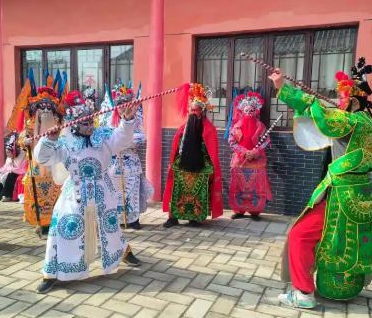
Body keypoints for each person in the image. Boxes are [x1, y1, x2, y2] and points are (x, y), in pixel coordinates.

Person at [270, 58, 372, 311]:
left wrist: (282, 86)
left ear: (355, 100)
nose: (339, 101)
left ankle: (303, 293)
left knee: (300, 235)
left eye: (342, 96)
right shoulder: (371, 126)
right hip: (362, 195)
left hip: (340, 195)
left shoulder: (349, 121)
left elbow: (314, 107)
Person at [33, 90, 141, 293]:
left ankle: (122, 252)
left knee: (110, 225)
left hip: (102, 188)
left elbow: (123, 139)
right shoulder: (64, 142)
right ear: (74, 124)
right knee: (66, 224)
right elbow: (42, 158)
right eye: (85, 123)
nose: (90, 126)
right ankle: (53, 272)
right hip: (75, 191)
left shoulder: (103, 136)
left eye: (91, 121)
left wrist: (127, 121)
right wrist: (49, 140)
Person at [6, 69, 65, 237]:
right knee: (37, 194)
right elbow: (21, 137)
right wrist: (24, 142)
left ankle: (54, 221)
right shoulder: (30, 124)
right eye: (41, 107)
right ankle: (40, 222)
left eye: (48, 107)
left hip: (55, 167)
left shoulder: (59, 124)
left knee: (56, 192)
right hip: (36, 166)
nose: (45, 110)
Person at [162, 83, 223, 228]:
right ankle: (173, 217)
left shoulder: (209, 129)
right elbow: (177, 146)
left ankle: (194, 217)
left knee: (198, 192)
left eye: (196, 110)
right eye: (192, 110)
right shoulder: (184, 127)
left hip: (200, 166)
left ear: (202, 111)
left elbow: (212, 151)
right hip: (182, 165)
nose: (193, 112)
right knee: (176, 190)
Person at [99, 82, 153, 230]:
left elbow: (141, 137)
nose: (123, 107)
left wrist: (125, 142)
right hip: (113, 163)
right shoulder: (108, 119)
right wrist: (119, 142)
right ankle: (116, 219)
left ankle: (133, 220)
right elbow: (105, 137)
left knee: (132, 191)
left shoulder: (136, 118)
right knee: (114, 192)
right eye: (120, 105)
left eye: (125, 104)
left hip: (130, 163)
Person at [227, 91, 272, 220]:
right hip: (240, 160)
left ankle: (255, 211)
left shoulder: (261, 126)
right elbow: (231, 141)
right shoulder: (236, 126)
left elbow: (266, 141)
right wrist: (244, 152)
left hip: (257, 161)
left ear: (255, 112)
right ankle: (239, 210)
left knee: (256, 187)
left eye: (251, 110)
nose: (249, 113)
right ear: (242, 111)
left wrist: (256, 152)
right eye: (246, 110)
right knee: (238, 186)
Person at [0, 132, 27, 202]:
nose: (7, 154)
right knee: (0, 174)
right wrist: (5, 170)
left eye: (8, 152)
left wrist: (11, 169)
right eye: (6, 152)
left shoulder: (22, 155)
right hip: (13, 170)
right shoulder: (9, 158)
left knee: (11, 175)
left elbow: (22, 168)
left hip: (20, 172)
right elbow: (6, 166)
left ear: (14, 151)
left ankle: (8, 195)